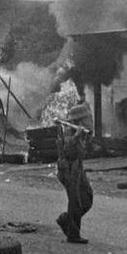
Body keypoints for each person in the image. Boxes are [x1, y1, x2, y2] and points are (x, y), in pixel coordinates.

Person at [55, 102, 94, 244]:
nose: (89, 121)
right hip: (68, 170)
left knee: (87, 199)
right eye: (86, 119)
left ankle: (66, 220)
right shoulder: (68, 133)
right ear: (78, 120)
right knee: (75, 203)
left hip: (78, 169)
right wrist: (77, 136)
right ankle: (73, 234)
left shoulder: (81, 133)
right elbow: (68, 152)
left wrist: (84, 136)